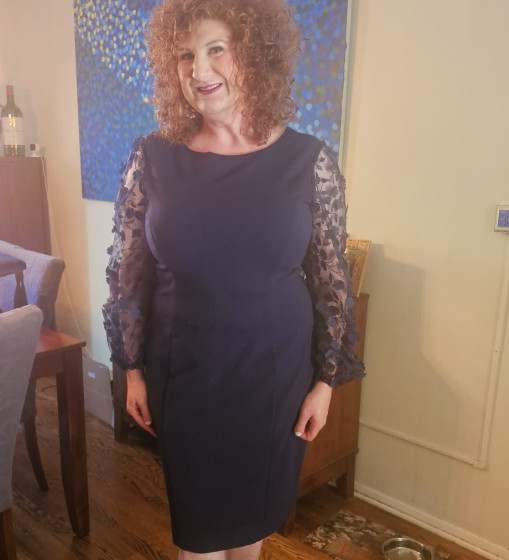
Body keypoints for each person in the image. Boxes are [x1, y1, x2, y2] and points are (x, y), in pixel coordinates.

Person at [103, 0, 365, 558]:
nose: (199, 70)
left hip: (274, 383)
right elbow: (129, 274)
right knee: (198, 537)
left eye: (216, 48)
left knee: (252, 528)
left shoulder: (308, 161)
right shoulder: (152, 158)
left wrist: (324, 384)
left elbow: (331, 282)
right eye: (184, 55)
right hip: (184, 378)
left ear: (254, 52)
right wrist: (132, 371)